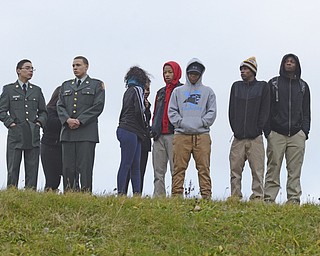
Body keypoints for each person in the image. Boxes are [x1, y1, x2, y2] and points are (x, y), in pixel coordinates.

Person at [263, 53, 311, 204]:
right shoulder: (273, 83)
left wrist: (305, 131)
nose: (289, 63)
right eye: (286, 61)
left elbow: (306, 110)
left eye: (292, 61)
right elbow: (266, 108)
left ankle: (294, 199)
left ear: (297, 65)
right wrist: (268, 131)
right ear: (282, 64)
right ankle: (269, 199)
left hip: (297, 134)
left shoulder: (303, 86)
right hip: (276, 133)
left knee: (295, 169)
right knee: (273, 167)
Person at [168, 58, 217, 199]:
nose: (193, 76)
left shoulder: (208, 92)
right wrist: (181, 123)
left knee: (203, 168)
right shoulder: (178, 91)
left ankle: (206, 196)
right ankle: (176, 196)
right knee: (178, 167)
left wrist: (201, 122)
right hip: (181, 134)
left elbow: (212, 112)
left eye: (196, 74)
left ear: (201, 74)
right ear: (187, 74)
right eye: (191, 73)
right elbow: (172, 111)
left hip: (202, 135)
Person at [57, 56, 105, 192]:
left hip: (86, 132)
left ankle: (85, 195)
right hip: (68, 132)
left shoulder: (96, 84)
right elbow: (59, 105)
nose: (75, 68)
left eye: (78, 65)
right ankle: (69, 194)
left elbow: (98, 106)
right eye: (73, 66)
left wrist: (80, 120)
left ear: (86, 66)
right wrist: (67, 120)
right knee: (68, 167)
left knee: (85, 167)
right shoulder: (66, 85)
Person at [0, 59, 47, 189]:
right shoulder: (9, 89)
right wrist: (10, 124)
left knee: (32, 167)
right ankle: (11, 193)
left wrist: (38, 123)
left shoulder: (36, 90)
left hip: (32, 132)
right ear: (18, 70)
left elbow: (44, 111)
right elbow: (1, 110)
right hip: (16, 133)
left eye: (32, 68)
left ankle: (30, 194)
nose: (30, 71)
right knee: (13, 166)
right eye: (27, 68)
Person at [228, 57, 270, 201]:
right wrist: (236, 129)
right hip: (238, 137)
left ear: (253, 70)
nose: (242, 71)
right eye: (241, 69)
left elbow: (265, 110)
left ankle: (258, 197)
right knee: (235, 169)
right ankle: (235, 196)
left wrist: (258, 128)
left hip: (255, 137)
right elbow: (231, 110)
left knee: (257, 170)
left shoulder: (263, 87)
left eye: (245, 69)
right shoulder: (236, 86)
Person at [117, 66, 149, 195]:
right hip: (131, 129)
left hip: (126, 129)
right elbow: (139, 111)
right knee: (128, 164)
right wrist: (146, 127)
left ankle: (132, 193)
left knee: (133, 164)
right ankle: (124, 193)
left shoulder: (128, 91)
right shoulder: (137, 90)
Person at [151, 61, 182, 196]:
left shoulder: (182, 90)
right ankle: (159, 196)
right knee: (158, 170)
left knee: (176, 169)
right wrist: (153, 128)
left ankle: (176, 195)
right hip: (159, 135)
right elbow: (155, 112)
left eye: (170, 72)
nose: (167, 75)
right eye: (165, 72)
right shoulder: (160, 92)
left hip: (174, 134)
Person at [124, 78, 152, 194]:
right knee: (127, 165)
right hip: (132, 136)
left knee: (140, 170)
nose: (146, 91)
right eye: (144, 88)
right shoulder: (131, 99)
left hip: (144, 141)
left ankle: (137, 194)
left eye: (148, 89)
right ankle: (122, 193)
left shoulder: (147, 105)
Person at [40, 86, 63, 191]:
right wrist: (66, 119)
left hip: (64, 147)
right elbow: (51, 124)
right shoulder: (49, 110)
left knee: (71, 179)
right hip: (50, 147)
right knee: (52, 181)